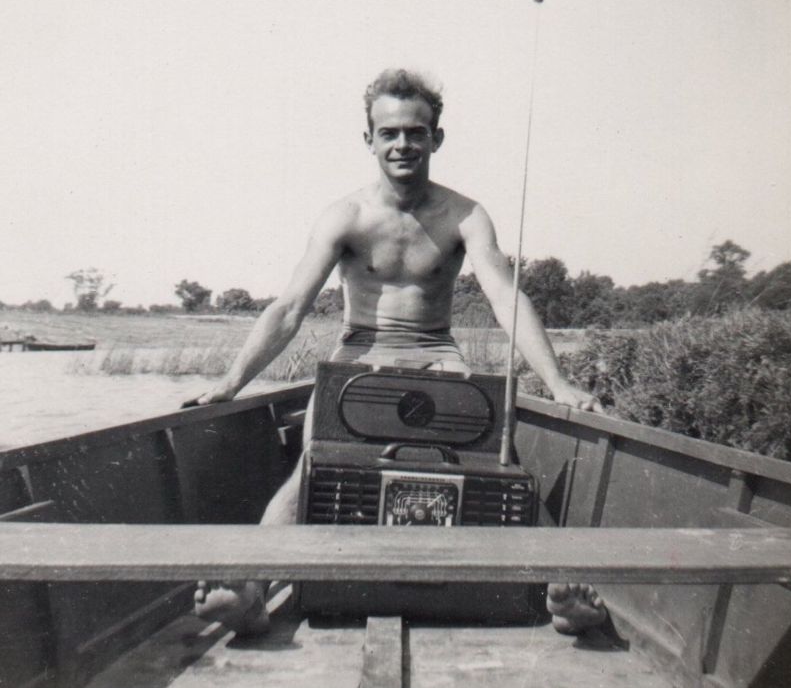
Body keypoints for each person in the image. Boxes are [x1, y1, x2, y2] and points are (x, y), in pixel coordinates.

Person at [186, 68, 607, 636]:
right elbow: (289, 307)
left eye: (415, 131)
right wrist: (230, 384)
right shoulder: (346, 215)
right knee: (313, 466)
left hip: (439, 358)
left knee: (498, 463)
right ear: (370, 140)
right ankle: (253, 590)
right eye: (389, 133)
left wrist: (559, 385)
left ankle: (564, 590)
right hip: (357, 359)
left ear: (436, 138)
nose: (402, 144)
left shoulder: (465, 215)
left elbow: (506, 296)